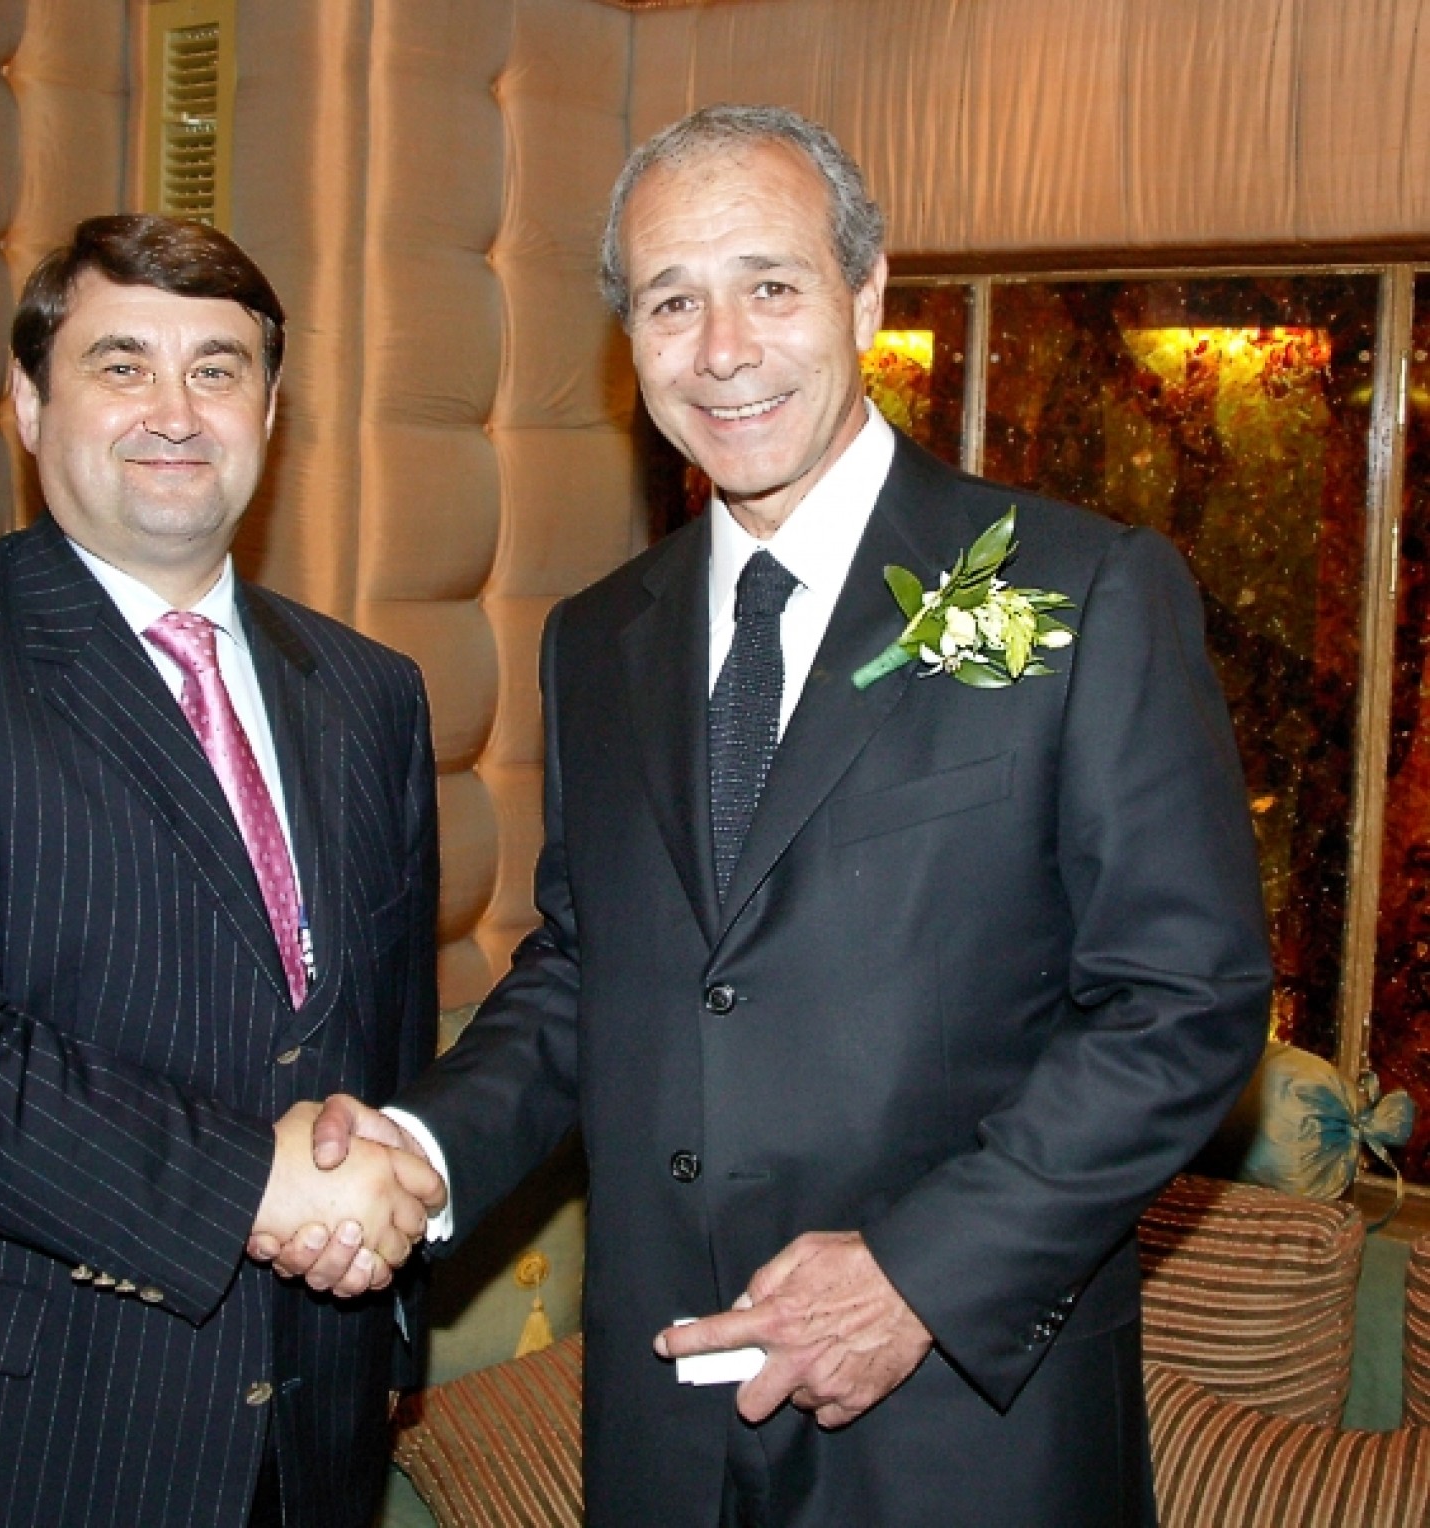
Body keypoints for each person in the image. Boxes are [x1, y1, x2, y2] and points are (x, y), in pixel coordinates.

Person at [272, 105, 1272, 1525]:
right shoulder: (598, 638)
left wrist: (919, 1275)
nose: (723, 350)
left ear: (865, 295)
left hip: (961, 1435)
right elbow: (587, 970)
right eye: (672, 301)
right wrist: (422, 1154)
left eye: (771, 285)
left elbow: (1187, 998)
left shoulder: (1082, 590)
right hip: (664, 1431)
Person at [0, 214, 445, 1528]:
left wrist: (386, 1317)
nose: (176, 411)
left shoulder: (369, 693)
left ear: (270, 409)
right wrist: (251, 1183)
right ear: (26, 402)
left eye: (217, 369)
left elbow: (380, 1036)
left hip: (302, 1428)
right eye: (122, 365)